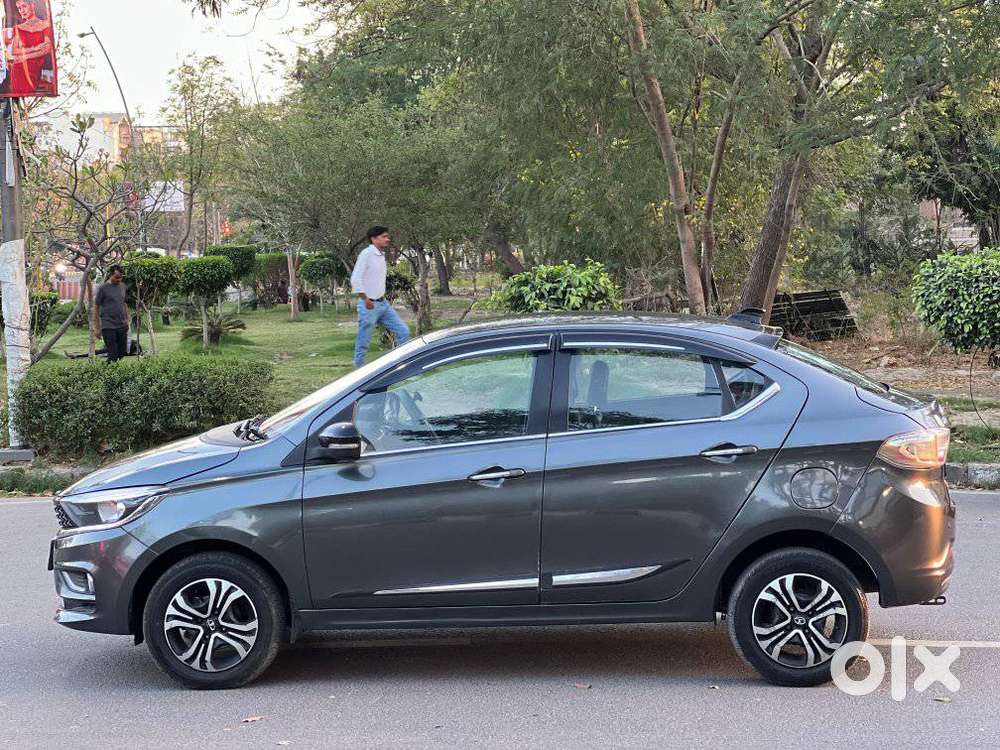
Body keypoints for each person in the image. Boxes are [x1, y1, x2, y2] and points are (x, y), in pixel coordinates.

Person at [350, 226, 411, 368]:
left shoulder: (380, 254)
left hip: (383, 304)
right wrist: (365, 299)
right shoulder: (366, 254)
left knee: (403, 332)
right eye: (384, 236)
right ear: (374, 238)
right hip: (369, 305)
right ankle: (357, 370)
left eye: (387, 236)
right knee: (364, 341)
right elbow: (355, 279)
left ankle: (398, 365)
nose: (387, 239)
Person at [2, 0, 56, 96]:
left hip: (34, 67)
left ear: (32, 5)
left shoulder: (45, 24)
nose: (22, 10)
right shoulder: (18, 28)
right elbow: (14, 51)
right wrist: (35, 48)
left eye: (24, 6)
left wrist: (25, 57)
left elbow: (47, 49)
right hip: (18, 68)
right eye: (19, 8)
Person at [95, 265, 130, 362]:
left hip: (121, 324)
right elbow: (96, 307)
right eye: (117, 277)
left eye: (121, 277)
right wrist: (97, 327)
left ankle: (107, 370)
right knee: (113, 355)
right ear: (110, 275)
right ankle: (104, 373)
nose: (119, 279)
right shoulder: (103, 288)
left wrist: (127, 320)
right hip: (108, 325)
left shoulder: (123, 286)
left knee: (122, 353)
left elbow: (124, 303)